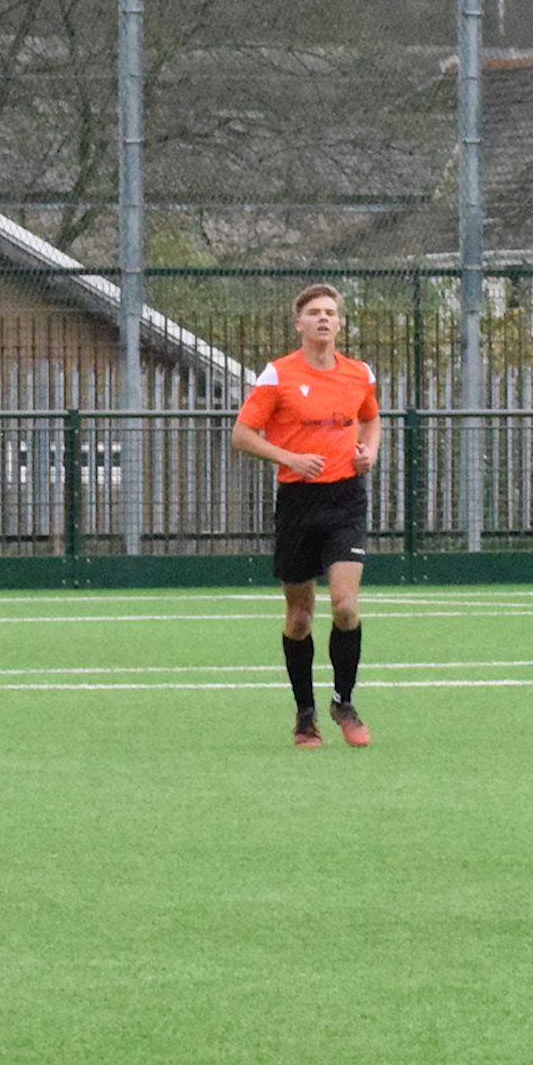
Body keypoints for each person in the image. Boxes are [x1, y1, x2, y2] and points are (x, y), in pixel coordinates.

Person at [230, 283, 380, 749]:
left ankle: (343, 701)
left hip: (344, 500)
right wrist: (289, 458)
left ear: (339, 323)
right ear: (298, 323)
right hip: (297, 503)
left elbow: (371, 418)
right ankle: (305, 714)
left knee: (345, 607)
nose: (322, 319)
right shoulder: (277, 375)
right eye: (313, 312)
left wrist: (369, 453)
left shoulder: (359, 374)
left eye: (330, 313)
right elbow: (242, 434)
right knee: (299, 618)